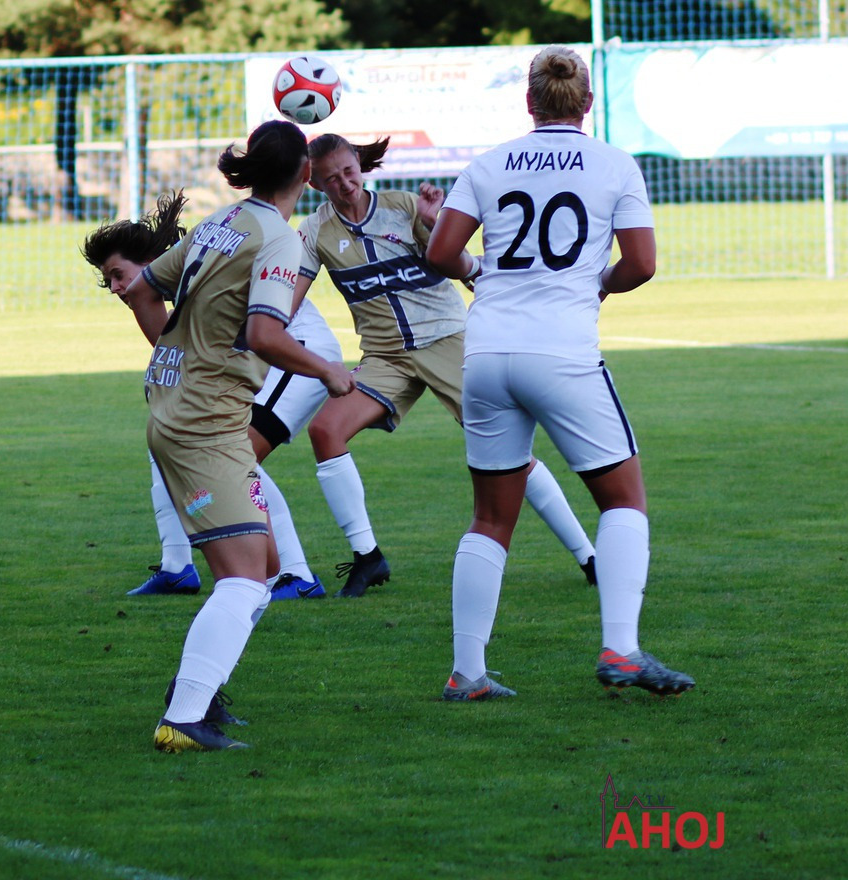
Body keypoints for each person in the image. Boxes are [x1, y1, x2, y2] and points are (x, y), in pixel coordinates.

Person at [426, 45, 695, 701]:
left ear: (529, 102)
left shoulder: (488, 163)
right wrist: (597, 283)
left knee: (490, 519)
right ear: (588, 102)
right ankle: (621, 648)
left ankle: (467, 673)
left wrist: (479, 271)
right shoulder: (614, 163)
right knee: (623, 501)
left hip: (487, 352)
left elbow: (441, 251)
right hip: (562, 351)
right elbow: (643, 263)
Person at [121, 120, 356, 752]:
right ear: (306, 174)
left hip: (189, 412)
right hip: (205, 425)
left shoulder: (219, 222)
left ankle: (197, 687)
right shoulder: (278, 239)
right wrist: (329, 370)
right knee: (247, 578)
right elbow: (264, 334)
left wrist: (175, 354)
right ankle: (184, 718)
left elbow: (141, 289)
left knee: (268, 566)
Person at [293, 133, 598, 598]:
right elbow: (290, 295)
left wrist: (435, 224)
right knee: (324, 431)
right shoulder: (314, 231)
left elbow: (455, 262)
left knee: (510, 452)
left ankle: (588, 556)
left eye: (349, 171)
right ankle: (368, 557)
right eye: (331, 179)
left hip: (447, 340)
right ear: (314, 184)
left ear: (360, 164)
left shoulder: (402, 206)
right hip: (384, 356)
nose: (345, 184)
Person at [84, 193, 342, 602]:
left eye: (118, 274)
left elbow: (223, 344)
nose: (115, 287)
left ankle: (293, 574)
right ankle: (177, 567)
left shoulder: (199, 268)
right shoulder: (177, 278)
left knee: (238, 456)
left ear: (151, 261)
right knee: (171, 438)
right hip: (261, 360)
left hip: (297, 353)